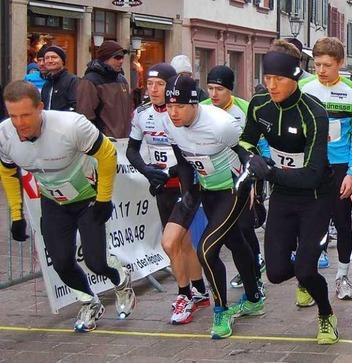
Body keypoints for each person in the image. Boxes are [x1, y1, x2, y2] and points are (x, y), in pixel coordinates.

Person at [0, 80, 135, 332]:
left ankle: (120, 277)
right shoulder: (5, 135)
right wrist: (16, 214)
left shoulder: (70, 125)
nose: (20, 123)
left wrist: (104, 199)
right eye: (13, 116)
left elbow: (107, 154)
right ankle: (89, 300)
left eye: (26, 115)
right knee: (60, 263)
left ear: (40, 108)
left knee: (96, 262)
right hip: (54, 201)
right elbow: (7, 172)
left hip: (88, 199)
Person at [237, 40, 339, 345]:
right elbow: (245, 142)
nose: (271, 85)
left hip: (316, 197)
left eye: (278, 79)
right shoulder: (259, 105)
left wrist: (268, 171)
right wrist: (250, 157)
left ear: (295, 77)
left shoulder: (314, 113)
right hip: (282, 195)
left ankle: (326, 315)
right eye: (267, 78)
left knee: (306, 269)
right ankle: (303, 267)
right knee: (277, 274)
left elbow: (311, 174)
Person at [161, 74, 263, 339]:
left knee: (206, 249)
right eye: (169, 106)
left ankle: (221, 310)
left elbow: (249, 155)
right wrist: (186, 193)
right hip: (208, 189)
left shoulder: (221, 124)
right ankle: (254, 297)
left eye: (180, 106)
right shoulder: (169, 122)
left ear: (195, 104)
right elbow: (183, 161)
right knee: (236, 242)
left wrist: (252, 187)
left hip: (233, 188)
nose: (173, 113)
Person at [126, 63, 209, 325]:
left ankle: (184, 295)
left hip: (186, 184)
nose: (153, 89)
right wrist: (149, 171)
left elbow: (188, 157)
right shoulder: (141, 114)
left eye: (159, 84)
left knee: (170, 243)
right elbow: (131, 150)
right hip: (162, 186)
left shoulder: (179, 114)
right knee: (182, 244)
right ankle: (200, 290)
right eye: (149, 84)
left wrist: (175, 177)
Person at [299, 37, 352, 299]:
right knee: (308, 224)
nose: (322, 70)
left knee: (342, 222)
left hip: (339, 167)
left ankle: (342, 277)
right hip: (311, 165)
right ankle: (306, 279)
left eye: (327, 65)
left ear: (340, 63)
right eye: (317, 65)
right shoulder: (304, 88)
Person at [201, 65, 267, 293]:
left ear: (230, 89)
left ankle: (256, 274)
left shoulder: (245, 109)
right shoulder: (202, 109)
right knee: (232, 234)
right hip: (215, 181)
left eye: (219, 89)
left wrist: (258, 184)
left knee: (246, 227)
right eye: (209, 88)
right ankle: (247, 270)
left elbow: (260, 145)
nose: (213, 94)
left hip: (243, 178)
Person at [77, 41, 132, 138]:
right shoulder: (90, 81)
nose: (121, 61)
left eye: (122, 57)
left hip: (125, 141)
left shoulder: (122, 80)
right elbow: (85, 117)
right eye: (117, 57)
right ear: (104, 59)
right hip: (105, 142)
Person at [41, 45, 78, 111]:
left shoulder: (73, 81)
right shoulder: (46, 84)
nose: (50, 61)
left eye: (54, 57)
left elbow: (76, 106)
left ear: (62, 61)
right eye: (47, 58)